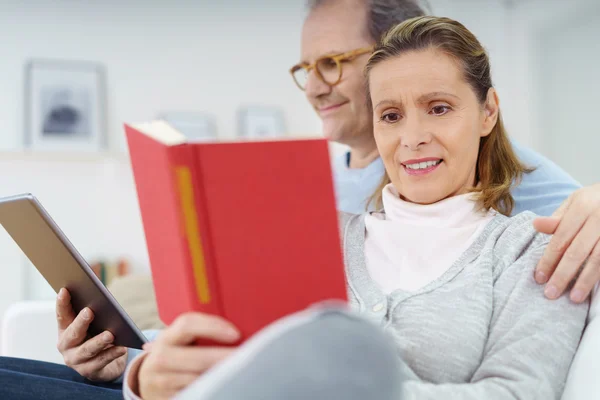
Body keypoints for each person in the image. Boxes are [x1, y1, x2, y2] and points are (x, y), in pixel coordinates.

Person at [0, 0, 597, 398]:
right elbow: (237, 346)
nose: (412, 135)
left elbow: (515, 394)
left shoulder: (531, 245)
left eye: (439, 108)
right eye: (391, 114)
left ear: (488, 110)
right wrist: (131, 365)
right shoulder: (322, 227)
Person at [292, 0, 600, 305]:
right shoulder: (317, 191)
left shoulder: (488, 166)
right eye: (306, 69)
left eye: (331, 63)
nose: (312, 89)